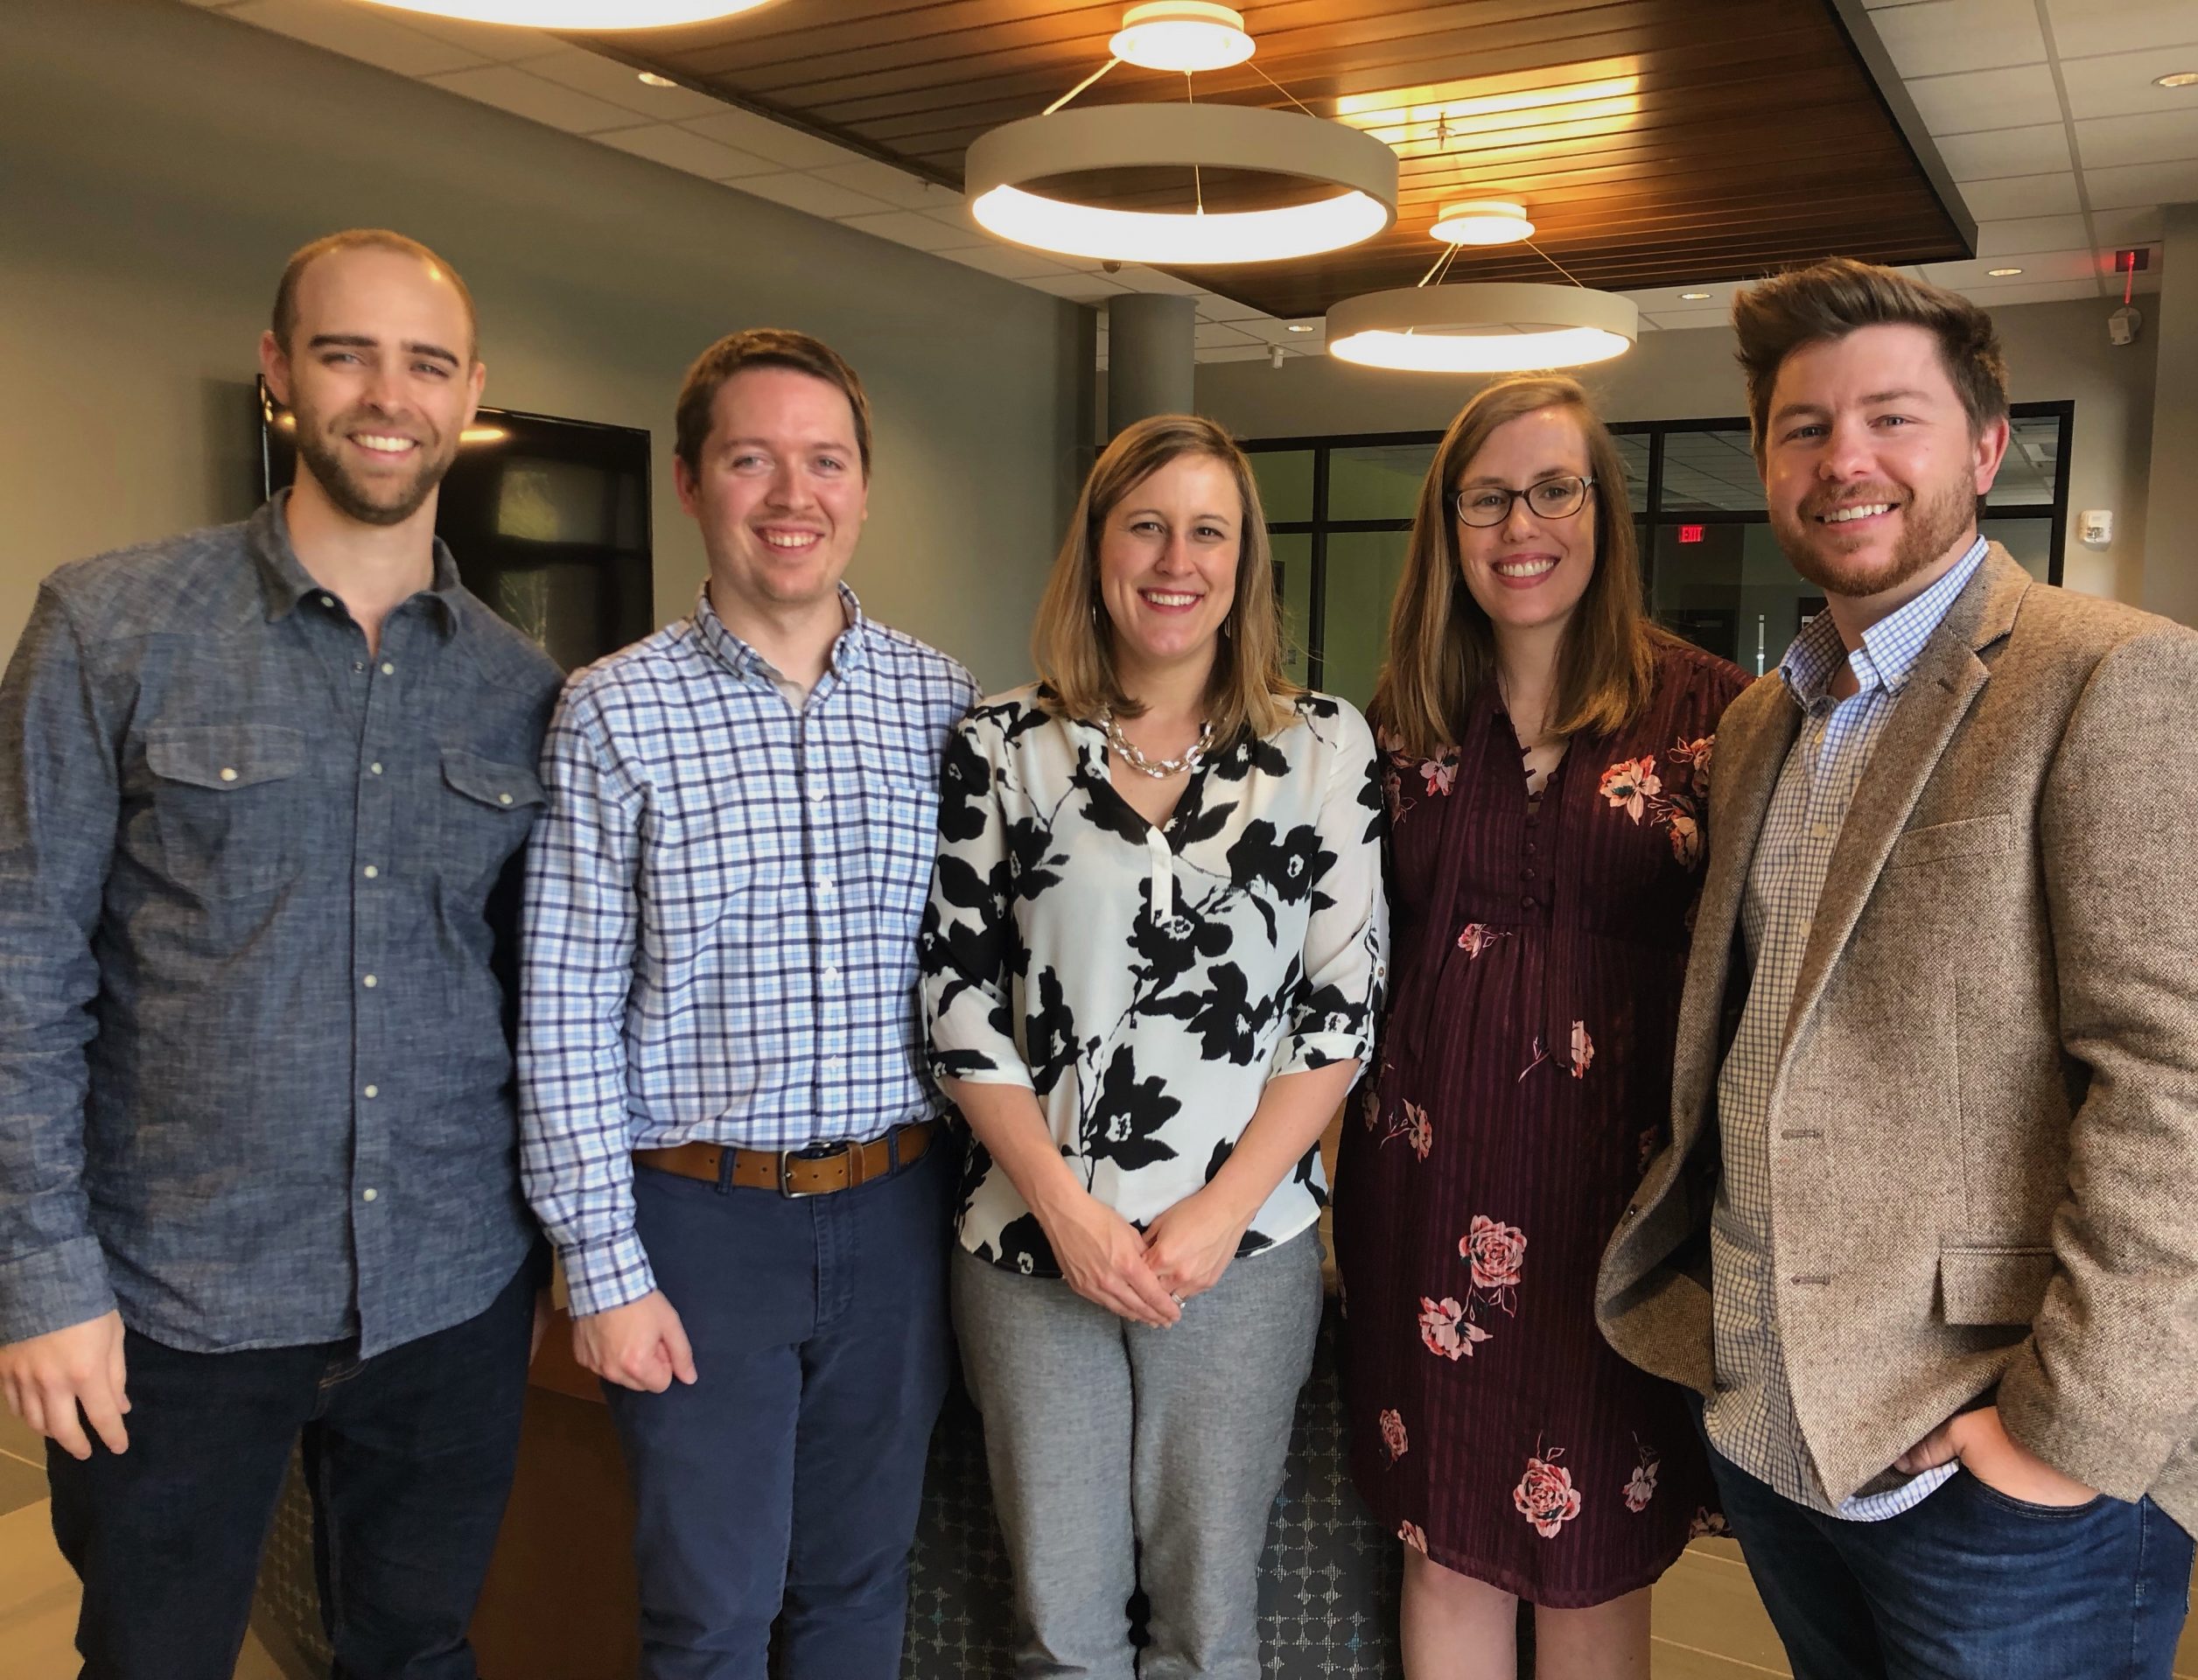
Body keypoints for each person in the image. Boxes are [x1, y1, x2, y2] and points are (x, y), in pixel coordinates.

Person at [1596, 256, 2198, 1679]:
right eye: (1805, 427)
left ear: (1987, 447)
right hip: (1777, 1424)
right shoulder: (1765, 719)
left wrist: (2065, 1436)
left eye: (1893, 418)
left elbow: (2190, 1086)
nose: (1847, 460)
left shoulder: (2114, 676)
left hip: (2002, 1463)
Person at [0, 228, 560, 1679]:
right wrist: (42, 1275)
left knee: (416, 1654)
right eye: (345, 354)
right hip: (177, 1299)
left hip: (449, 1288)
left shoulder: (521, 688)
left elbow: (536, 1000)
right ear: (278, 371)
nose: (388, 396)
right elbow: (20, 966)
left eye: (426, 364)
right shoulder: (110, 625)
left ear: (470, 393)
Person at [518, 328, 975, 1677]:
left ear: (863, 488)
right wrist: (603, 1267)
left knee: (859, 1590)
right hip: (699, 1227)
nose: (792, 495)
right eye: (751, 460)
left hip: (899, 1216)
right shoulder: (612, 713)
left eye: (825, 461)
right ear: (690, 482)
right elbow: (563, 1009)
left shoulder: (942, 702)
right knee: (709, 1616)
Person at [920, 412, 1386, 1679]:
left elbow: (1340, 1007)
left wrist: (1222, 1214)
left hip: (1238, 1255)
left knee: (1208, 1625)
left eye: (1208, 532)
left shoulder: (1323, 746)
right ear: (1097, 551)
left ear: (1244, 564)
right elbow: (959, 997)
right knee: (1061, 1633)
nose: (1177, 561)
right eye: (1146, 527)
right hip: (1033, 1246)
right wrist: (1066, 1210)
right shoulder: (1001, 745)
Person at [1333, 375, 1746, 1677]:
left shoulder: (1718, 716)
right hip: (1423, 1188)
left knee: (1592, 1559)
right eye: (1489, 499)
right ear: (1448, 527)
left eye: (1555, 490)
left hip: (1617, 1211)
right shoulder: (1397, 719)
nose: (1523, 525)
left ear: (1603, 509)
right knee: (1446, 1541)